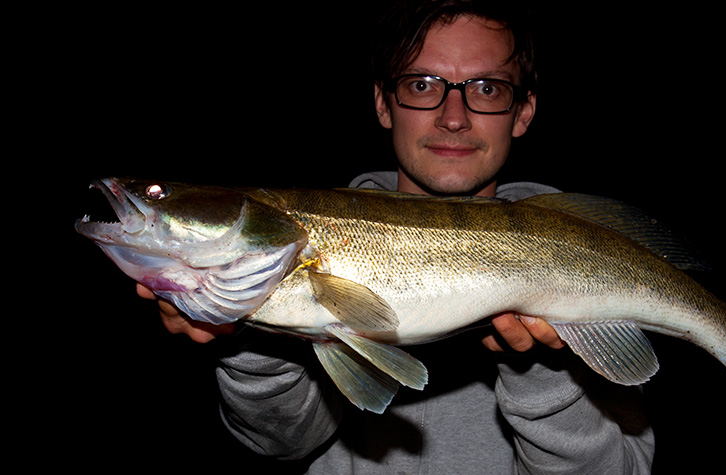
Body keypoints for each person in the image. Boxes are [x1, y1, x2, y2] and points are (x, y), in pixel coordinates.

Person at [138, 1, 655, 472]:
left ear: (524, 112)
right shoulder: (292, 249)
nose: (454, 117)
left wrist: (546, 370)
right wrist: (249, 334)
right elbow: (281, 444)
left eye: (487, 88)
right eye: (422, 84)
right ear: (384, 104)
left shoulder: (588, 251)